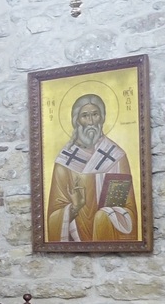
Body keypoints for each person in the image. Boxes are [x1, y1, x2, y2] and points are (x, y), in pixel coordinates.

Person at [45, 92, 138, 243]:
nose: (90, 121)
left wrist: (106, 216)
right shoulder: (65, 160)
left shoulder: (116, 156)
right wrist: (74, 208)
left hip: (107, 232)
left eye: (95, 114)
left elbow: (129, 207)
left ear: (102, 118)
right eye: (85, 116)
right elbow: (53, 214)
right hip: (76, 237)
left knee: (103, 216)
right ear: (76, 121)